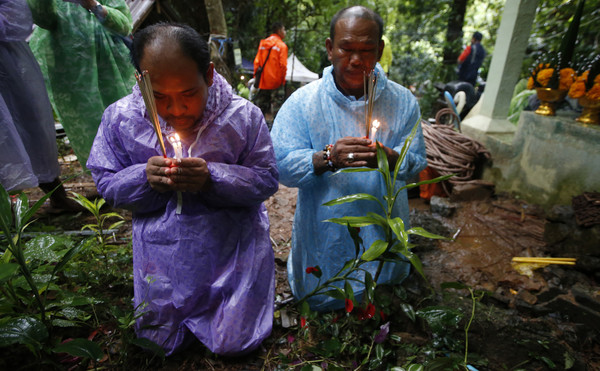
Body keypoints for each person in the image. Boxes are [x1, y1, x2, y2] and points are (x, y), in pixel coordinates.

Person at [87, 23, 279, 356]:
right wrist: (142, 178)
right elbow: (106, 181)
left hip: (231, 255)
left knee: (234, 344)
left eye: (188, 94)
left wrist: (214, 178)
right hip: (161, 262)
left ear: (208, 73)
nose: (176, 110)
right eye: (160, 97)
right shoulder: (121, 118)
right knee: (156, 345)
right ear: (141, 81)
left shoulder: (243, 117)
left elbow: (265, 179)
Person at [270, 6, 427, 311]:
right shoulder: (304, 103)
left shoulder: (402, 102)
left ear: (379, 50)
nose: (356, 59)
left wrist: (389, 159)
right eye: (346, 48)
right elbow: (280, 166)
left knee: (380, 299)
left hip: (382, 228)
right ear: (330, 49)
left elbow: (417, 164)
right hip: (322, 234)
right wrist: (327, 157)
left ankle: (382, 289)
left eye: (366, 49)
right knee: (324, 296)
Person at [27, 0, 136, 168]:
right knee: (91, 129)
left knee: (127, 122)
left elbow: (124, 26)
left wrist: (93, 5)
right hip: (71, 73)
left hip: (113, 68)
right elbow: (44, 19)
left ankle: (142, 172)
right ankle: (108, 180)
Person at [0, 0, 82, 211]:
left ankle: (57, 196)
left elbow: (15, 15)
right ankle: (6, 209)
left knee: (30, 122)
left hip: (9, 64)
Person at [252, 22, 288, 124]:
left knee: (261, 108)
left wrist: (257, 78)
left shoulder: (263, 44)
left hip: (263, 82)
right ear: (280, 30)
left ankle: (257, 128)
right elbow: (283, 66)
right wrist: (282, 81)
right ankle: (275, 129)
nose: (285, 32)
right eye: (284, 29)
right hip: (276, 82)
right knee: (277, 109)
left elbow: (257, 63)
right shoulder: (282, 46)